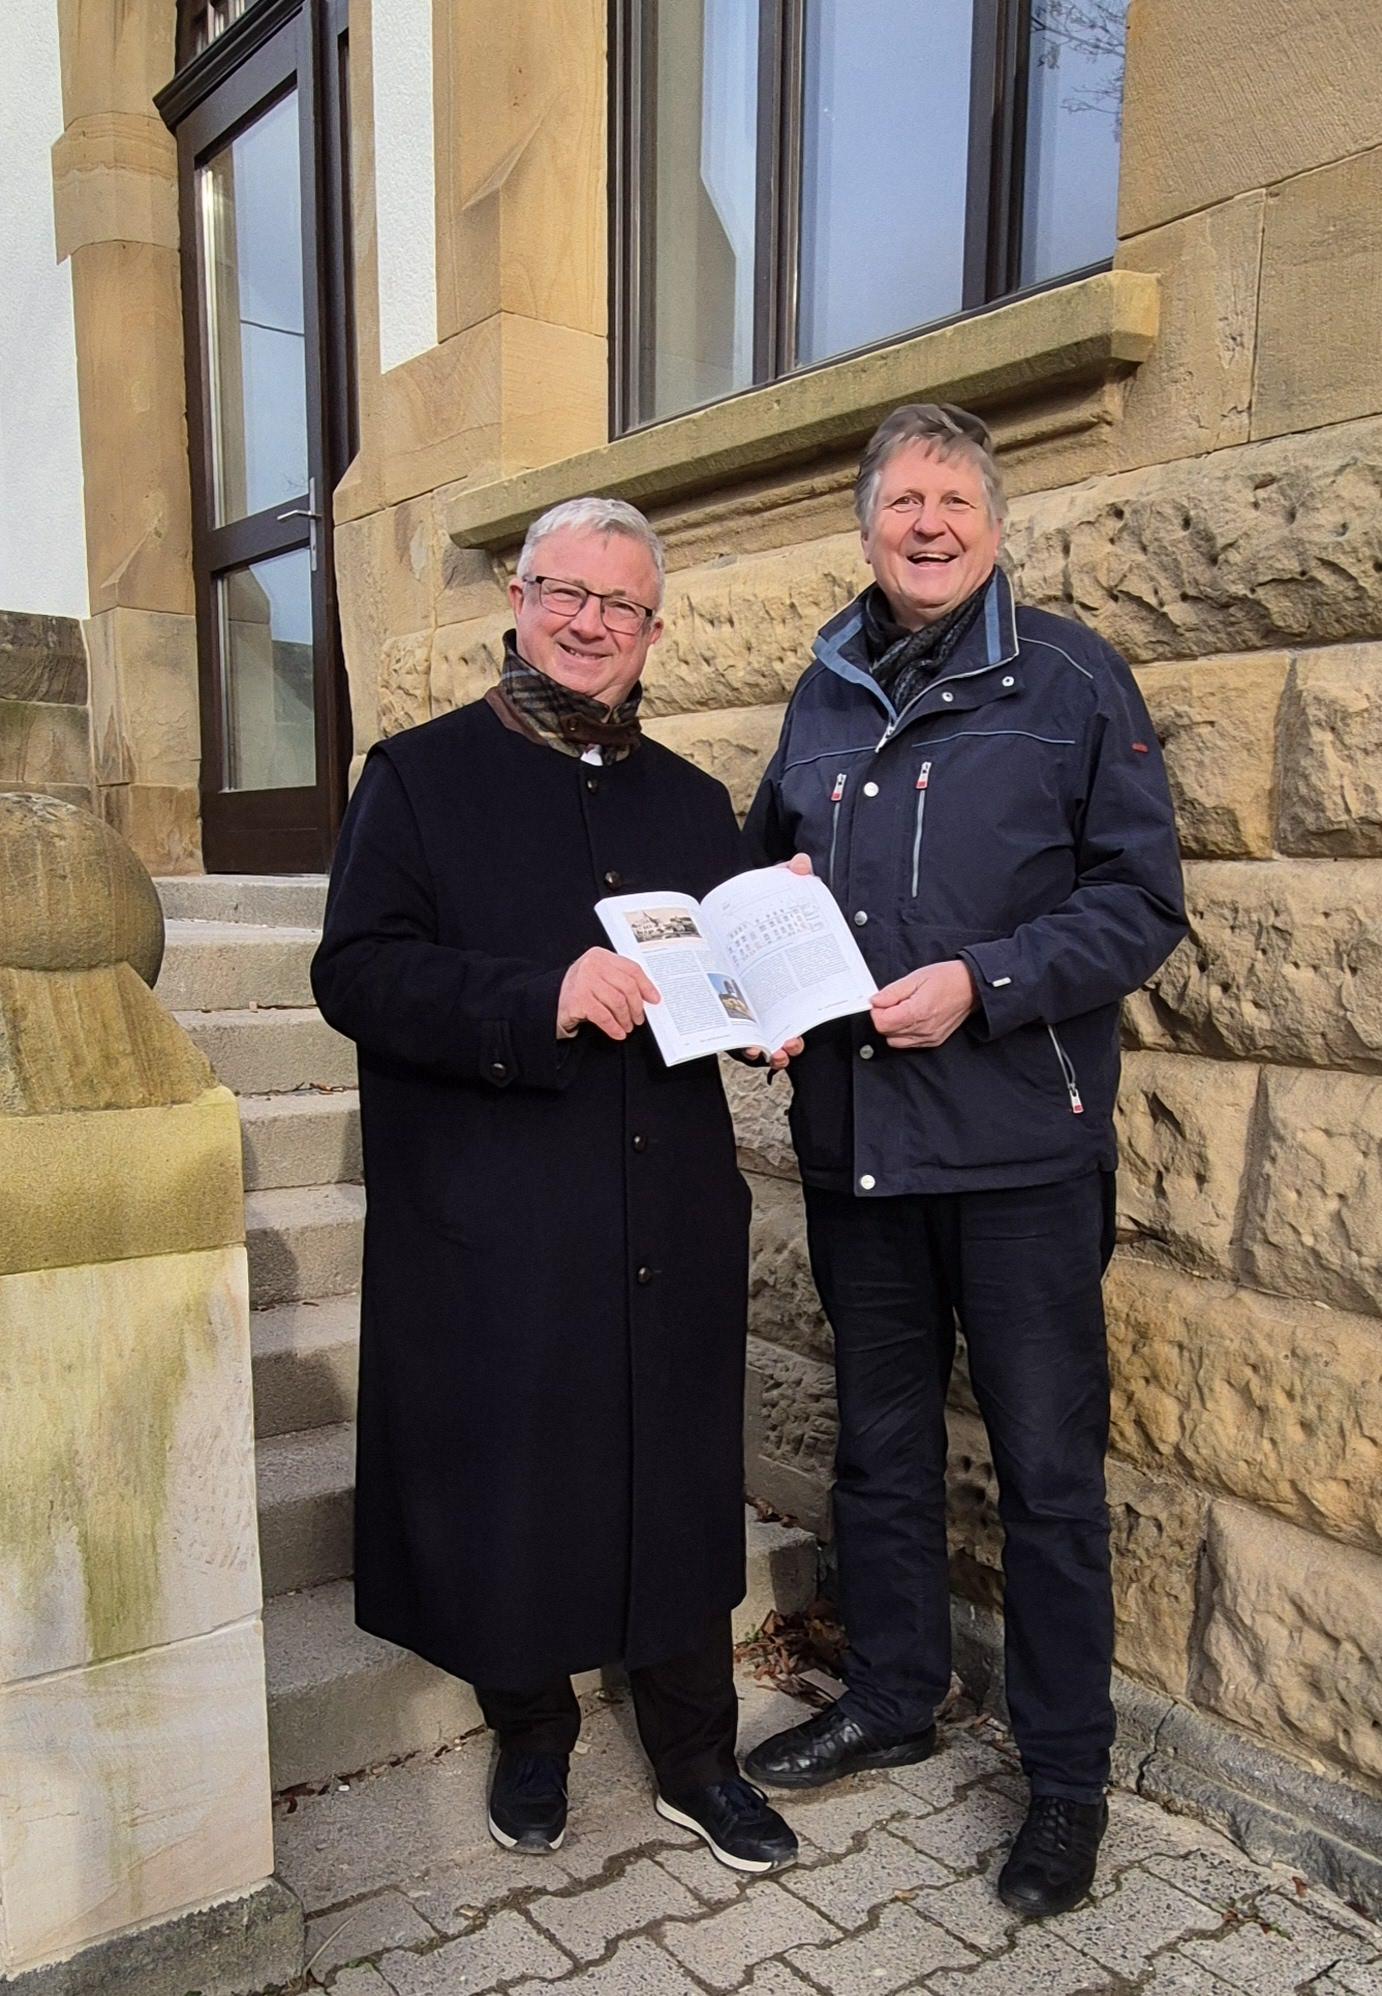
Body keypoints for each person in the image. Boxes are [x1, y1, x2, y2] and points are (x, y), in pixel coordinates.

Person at [741, 405, 1185, 1917]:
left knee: (1048, 1478)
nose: (925, 524)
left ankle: (1064, 1784)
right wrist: (761, 988)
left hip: (1015, 1156)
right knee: (879, 1447)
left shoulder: (1069, 677)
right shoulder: (821, 688)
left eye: (952, 500)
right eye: (900, 502)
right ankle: (892, 1696)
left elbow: (1140, 903)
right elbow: (768, 872)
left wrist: (983, 986)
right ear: (865, 525)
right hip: (858, 1143)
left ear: (994, 526)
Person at [312, 496, 797, 1873]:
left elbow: (713, 979)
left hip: (666, 1204)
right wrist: (540, 997)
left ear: (653, 631)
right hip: (501, 1213)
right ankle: (533, 1733)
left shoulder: (692, 802)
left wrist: (771, 991)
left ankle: (696, 1757)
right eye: (565, 593)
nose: (591, 623)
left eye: (620, 604)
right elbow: (355, 973)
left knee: (676, 1480)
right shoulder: (418, 777)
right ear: (518, 599)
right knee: (514, 1483)